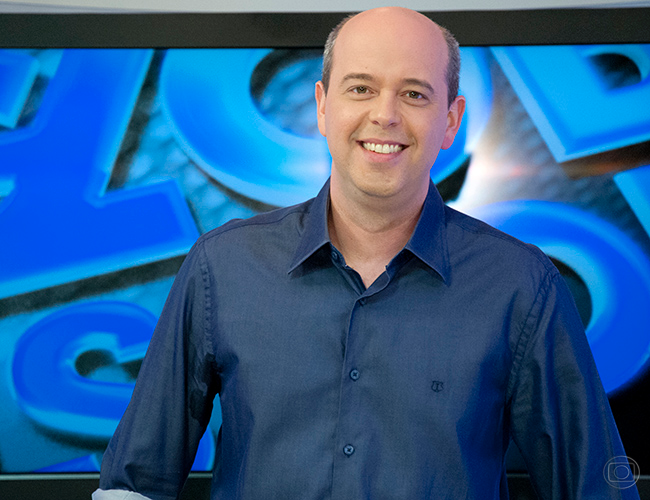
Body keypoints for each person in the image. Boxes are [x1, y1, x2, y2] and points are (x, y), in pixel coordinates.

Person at [94, 7, 639, 500]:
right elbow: (133, 488)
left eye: (414, 94)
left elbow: (596, 488)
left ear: (451, 120)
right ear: (322, 106)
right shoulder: (223, 266)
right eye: (360, 88)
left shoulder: (521, 283)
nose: (385, 115)